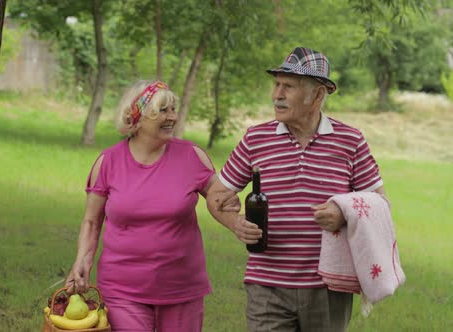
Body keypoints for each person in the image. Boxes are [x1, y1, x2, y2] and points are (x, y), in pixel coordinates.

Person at [206, 47, 387, 332]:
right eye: (276, 84)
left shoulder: (350, 141)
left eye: (288, 86)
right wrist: (235, 223)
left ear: (317, 95)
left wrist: (343, 214)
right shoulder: (256, 139)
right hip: (266, 286)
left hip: (329, 286)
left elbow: (379, 204)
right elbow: (216, 195)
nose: (276, 94)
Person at [64, 80, 238, 332]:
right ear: (138, 116)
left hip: (182, 289)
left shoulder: (192, 156)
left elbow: (219, 197)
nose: (173, 117)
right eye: (163, 110)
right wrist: (82, 261)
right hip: (122, 290)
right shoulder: (108, 162)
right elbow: (92, 222)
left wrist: (233, 208)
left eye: (173, 110)